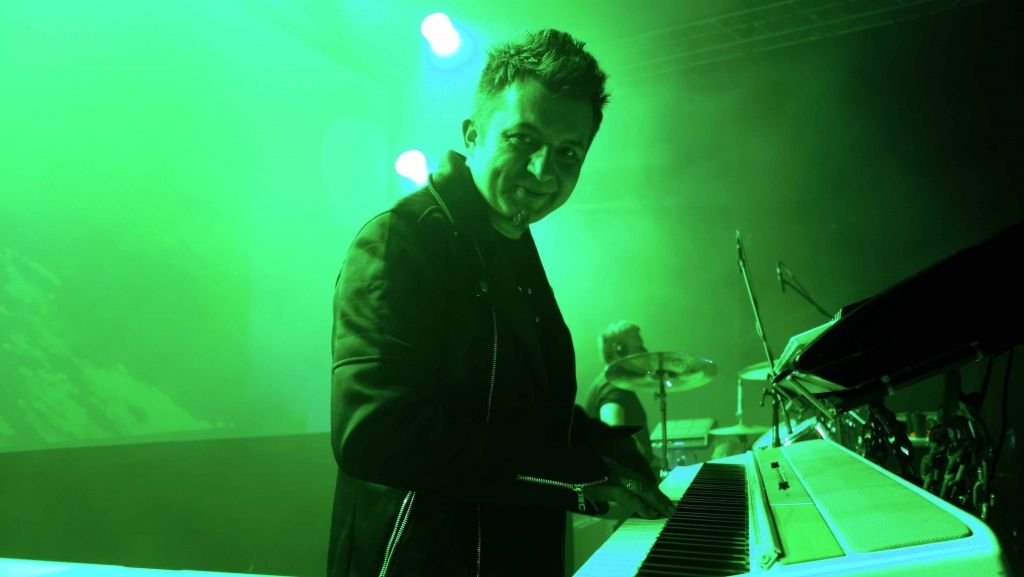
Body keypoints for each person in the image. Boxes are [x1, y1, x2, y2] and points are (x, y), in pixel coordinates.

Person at [328, 29, 674, 577]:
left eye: (567, 153)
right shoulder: (400, 240)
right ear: (473, 135)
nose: (543, 171)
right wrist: (574, 476)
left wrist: (612, 450)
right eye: (523, 139)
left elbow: (531, 415)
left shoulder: (512, 247)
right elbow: (374, 433)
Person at [583, 321, 659, 476]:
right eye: (639, 347)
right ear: (619, 350)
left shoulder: (612, 383)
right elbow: (613, 433)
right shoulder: (612, 388)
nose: (646, 351)